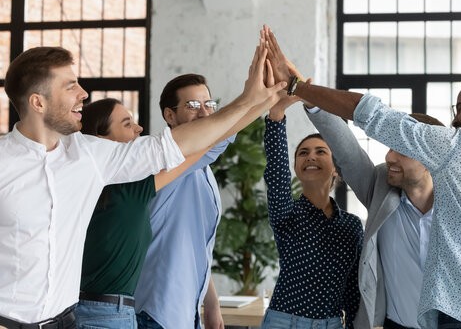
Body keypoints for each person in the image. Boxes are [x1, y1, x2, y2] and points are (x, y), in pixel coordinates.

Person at [263, 26, 461, 329]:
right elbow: (347, 150)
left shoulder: (457, 151)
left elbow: (373, 114)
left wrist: (297, 86)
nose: (455, 120)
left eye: (460, 108)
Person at [0, 42, 285, 328]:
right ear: (38, 102)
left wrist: (251, 100)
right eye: (70, 86)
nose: (83, 94)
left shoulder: (90, 156)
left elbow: (173, 147)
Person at [74, 98, 206, 329]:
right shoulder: (130, 188)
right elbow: (202, 148)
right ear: (101, 141)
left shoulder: (78, 188)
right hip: (109, 316)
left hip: (77, 310)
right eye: (127, 124)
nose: (139, 129)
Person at [307, 107, 443, 329]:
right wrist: (311, 101)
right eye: (390, 147)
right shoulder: (380, 190)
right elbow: (348, 153)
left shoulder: (458, 209)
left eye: (402, 149)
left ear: (431, 157)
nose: (390, 157)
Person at [260, 74, 363, 329]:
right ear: (296, 167)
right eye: (303, 153)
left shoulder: (352, 225)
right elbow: (276, 177)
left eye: (321, 151)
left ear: (336, 168)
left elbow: (352, 287)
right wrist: (277, 114)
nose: (310, 157)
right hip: (284, 323)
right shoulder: (287, 213)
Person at [134, 74, 236, 329]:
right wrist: (263, 95)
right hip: (157, 312)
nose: (204, 113)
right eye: (192, 106)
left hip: (185, 311)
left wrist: (211, 305)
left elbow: (196, 245)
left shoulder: (204, 169)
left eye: (208, 104)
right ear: (169, 116)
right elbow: (225, 130)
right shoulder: (165, 162)